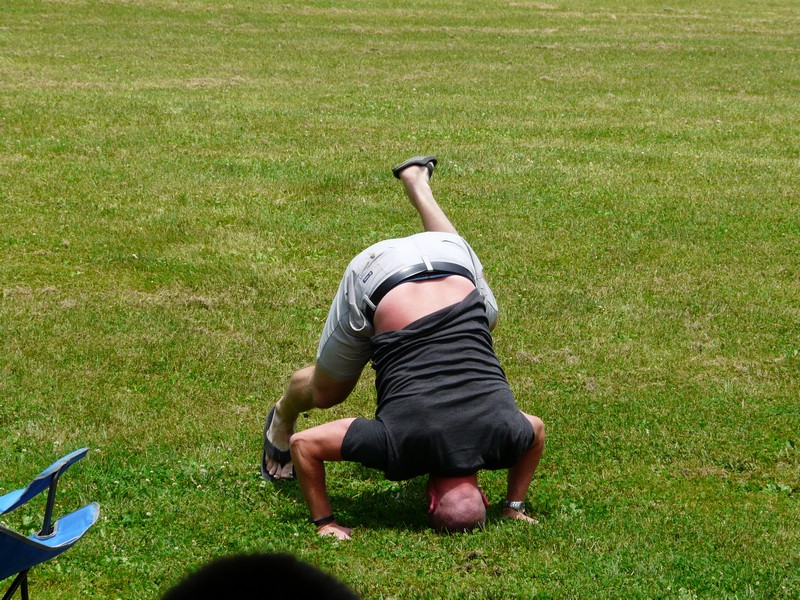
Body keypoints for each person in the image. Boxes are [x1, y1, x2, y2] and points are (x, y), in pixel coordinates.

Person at [261, 156, 545, 540]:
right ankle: (283, 413)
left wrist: (514, 505)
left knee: (485, 316)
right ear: (428, 500)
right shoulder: (396, 447)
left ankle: (420, 188)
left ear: (480, 491)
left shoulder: (508, 436)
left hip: (449, 260)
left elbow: (537, 431)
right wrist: (324, 522)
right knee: (328, 393)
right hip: (379, 275)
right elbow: (305, 444)